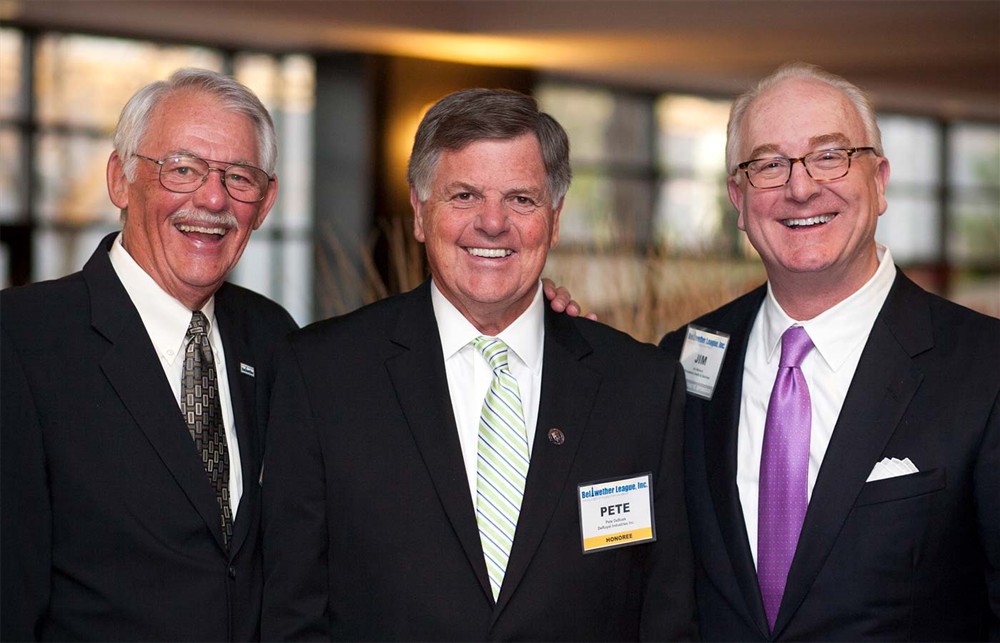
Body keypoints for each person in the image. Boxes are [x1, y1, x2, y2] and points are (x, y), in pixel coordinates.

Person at [261, 88, 696, 641]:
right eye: (464, 196)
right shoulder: (322, 374)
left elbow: (667, 616)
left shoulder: (642, 387)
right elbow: (292, 615)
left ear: (555, 219)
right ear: (420, 213)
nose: (492, 224)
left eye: (521, 199)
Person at [659, 62, 1000, 640]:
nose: (800, 187)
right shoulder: (684, 357)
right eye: (769, 164)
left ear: (881, 180)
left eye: (829, 156)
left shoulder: (985, 368)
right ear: (738, 200)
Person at [1, 68, 298, 641]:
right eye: (182, 169)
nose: (212, 199)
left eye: (239, 177)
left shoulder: (274, 338)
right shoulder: (21, 340)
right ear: (121, 179)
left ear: (264, 204)